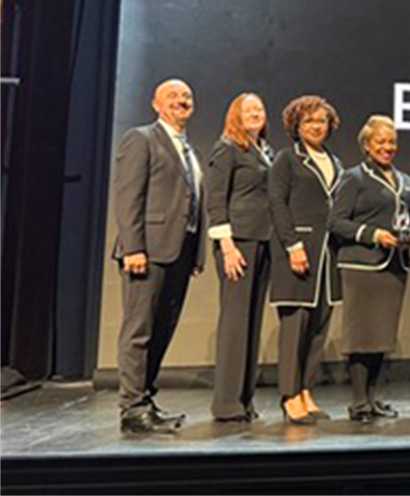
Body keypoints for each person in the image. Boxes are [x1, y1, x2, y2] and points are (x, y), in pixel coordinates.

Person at [112, 78, 205, 433]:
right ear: (156, 104)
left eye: (187, 95)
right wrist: (134, 247)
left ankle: (145, 399)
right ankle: (132, 407)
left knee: (163, 329)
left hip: (179, 252)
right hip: (147, 251)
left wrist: (195, 253)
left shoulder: (189, 148)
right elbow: (128, 197)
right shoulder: (141, 138)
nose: (181, 100)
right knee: (140, 330)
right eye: (173, 95)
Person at [329, 115, 410, 422]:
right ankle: (359, 403)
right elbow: (335, 221)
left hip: (395, 266)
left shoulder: (405, 180)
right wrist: (373, 235)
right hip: (362, 266)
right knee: (361, 336)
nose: (387, 147)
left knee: (382, 336)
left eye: (392, 142)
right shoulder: (354, 178)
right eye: (380, 141)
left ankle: (373, 398)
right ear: (367, 145)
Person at [268, 95, 343, 424]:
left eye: (321, 121)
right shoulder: (287, 159)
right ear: (296, 126)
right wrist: (292, 245)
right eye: (309, 121)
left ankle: (306, 390)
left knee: (318, 327)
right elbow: (277, 202)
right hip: (298, 252)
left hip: (328, 255)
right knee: (295, 328)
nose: (316, 126)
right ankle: (289, 395)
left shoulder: (335, 162)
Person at [206, 92, 275, 422]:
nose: (255, 113)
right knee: (235, 323)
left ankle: (245, 400)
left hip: (263, 241)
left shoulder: (264, 151)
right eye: (248, 110)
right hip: (238, 244)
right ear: (236, 115)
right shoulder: (227, 148)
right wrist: (227, 246)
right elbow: (216, 199)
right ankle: (226, 404)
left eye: (259, 109)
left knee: (252, 322)